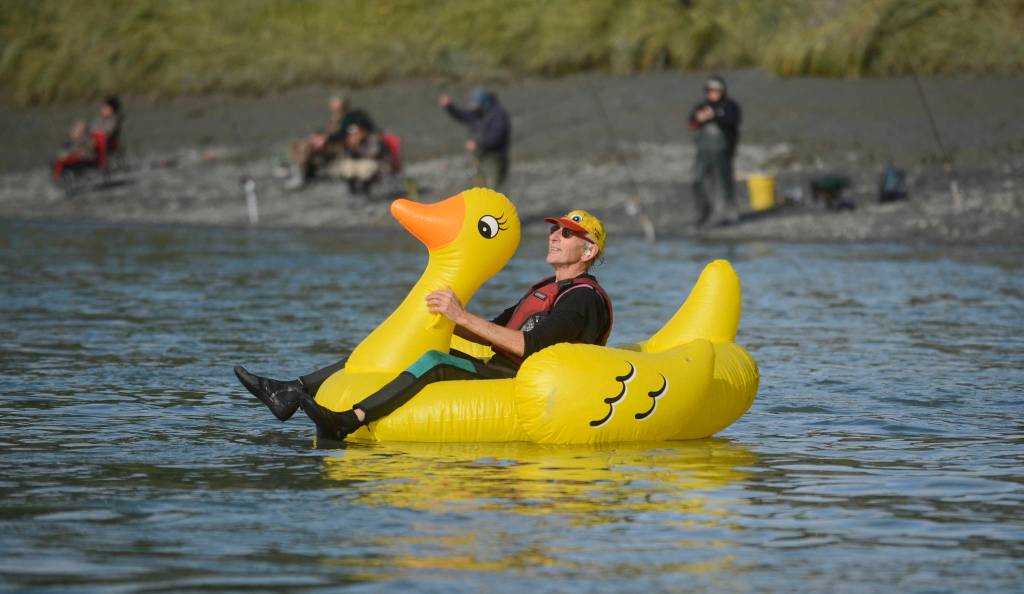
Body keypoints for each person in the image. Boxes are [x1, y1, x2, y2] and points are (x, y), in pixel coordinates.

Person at [234, 209, 612, 440]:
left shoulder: (582, 299)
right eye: (554, 230)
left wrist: (461, 316)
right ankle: (291, 390)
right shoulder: (548, 288)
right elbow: (491, 328)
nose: (554, 237)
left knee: (434, 361)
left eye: (567, 234)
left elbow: (529, 347)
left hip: (525, 384)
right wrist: (429, 321)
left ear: (589, 250)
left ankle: (350, 419)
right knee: (400, 344)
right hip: (502, 367)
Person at [284, 93, 376, 190]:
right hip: (328, 143)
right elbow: (325, 131)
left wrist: (326, 139)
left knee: (306, 147)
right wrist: (318, 136)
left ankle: (300, 174)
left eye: (335, 101)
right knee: (296, 144)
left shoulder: (349, 117)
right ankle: (296, 168)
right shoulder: (334, 118)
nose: (332, 104)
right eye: (332, 101)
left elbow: (342, 134)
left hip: (337, 146)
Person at [688, 75, 742, 227]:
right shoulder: (701, 107)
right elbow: (691, 124)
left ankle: (729, 214)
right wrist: (700, 118)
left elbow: (734, 121)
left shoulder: (730, 106)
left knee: (724, 182)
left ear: (722, 91)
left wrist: (714, 116)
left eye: (717, 91)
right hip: (703, 152)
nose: (714, 94)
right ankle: (702, 211)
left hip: (723, 151)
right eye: (711, 91)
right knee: (698, 179)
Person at [439, 87, 511, 191]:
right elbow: (463, 116)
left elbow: (497, 137)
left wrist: (477, 143)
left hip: (495, 158)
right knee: (479, 186)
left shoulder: (499, 114)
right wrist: (449, 107)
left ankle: (496, 207)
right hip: (479, 156)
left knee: (495, 188)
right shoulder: (477, 113)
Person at [52, 96, 123, 179]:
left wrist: (88, 132)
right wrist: (83, 127)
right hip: (92, 143)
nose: (102, 109)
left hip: (100, 145)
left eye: (105, 107)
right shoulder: (100, 119)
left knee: (89, 136)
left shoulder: (114, 120)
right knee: (79, 126)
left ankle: (78, 156)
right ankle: (69, 153)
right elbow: (91, 129)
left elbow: (106, 133)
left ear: (111, 109)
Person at [330, 122, 390, 196]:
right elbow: (345, 156)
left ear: (363, 132)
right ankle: (352, 191)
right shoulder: (349, 141)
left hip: (377, 163)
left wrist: (357, 146)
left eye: (357, 133)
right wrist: (351, 146)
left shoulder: (373, 139)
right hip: (359, 163)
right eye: (352, 134)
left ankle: (365, 191)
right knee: (348, 166)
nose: (354, 136)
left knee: (365, 167)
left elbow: (374, 154)